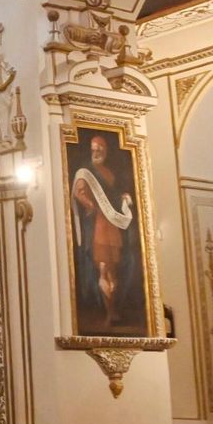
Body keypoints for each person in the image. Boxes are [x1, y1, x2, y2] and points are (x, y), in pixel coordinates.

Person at [71, 133, 137, 328]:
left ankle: (113, 310)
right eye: (93, 150)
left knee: (113, 272)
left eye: (99, 150)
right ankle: (109, 313)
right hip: (98, 227)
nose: (96, 153)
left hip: (112, 226)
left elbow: (114, 196)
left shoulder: (109, 173)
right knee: (103, 269)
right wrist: (89, 204)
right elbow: (78, 191)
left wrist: (124, 197)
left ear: (105, 151)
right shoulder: (86, 171)